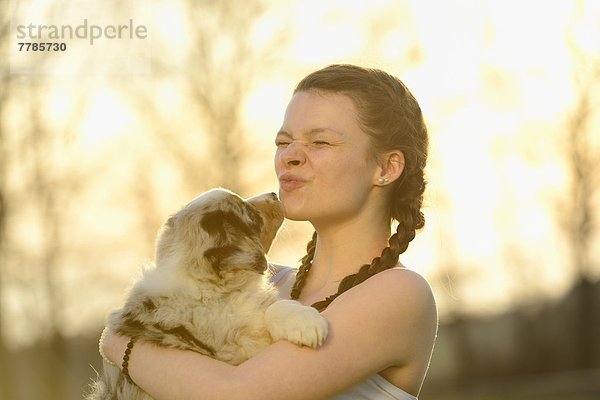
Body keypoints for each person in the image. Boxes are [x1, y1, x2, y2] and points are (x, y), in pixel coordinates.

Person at [102, 64, 438, 400]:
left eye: (319, 141)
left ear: (386, 167)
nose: (289, 156)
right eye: (284, 141)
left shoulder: (399, 293)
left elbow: (237, 394)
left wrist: (122, 342)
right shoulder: (266, 282)